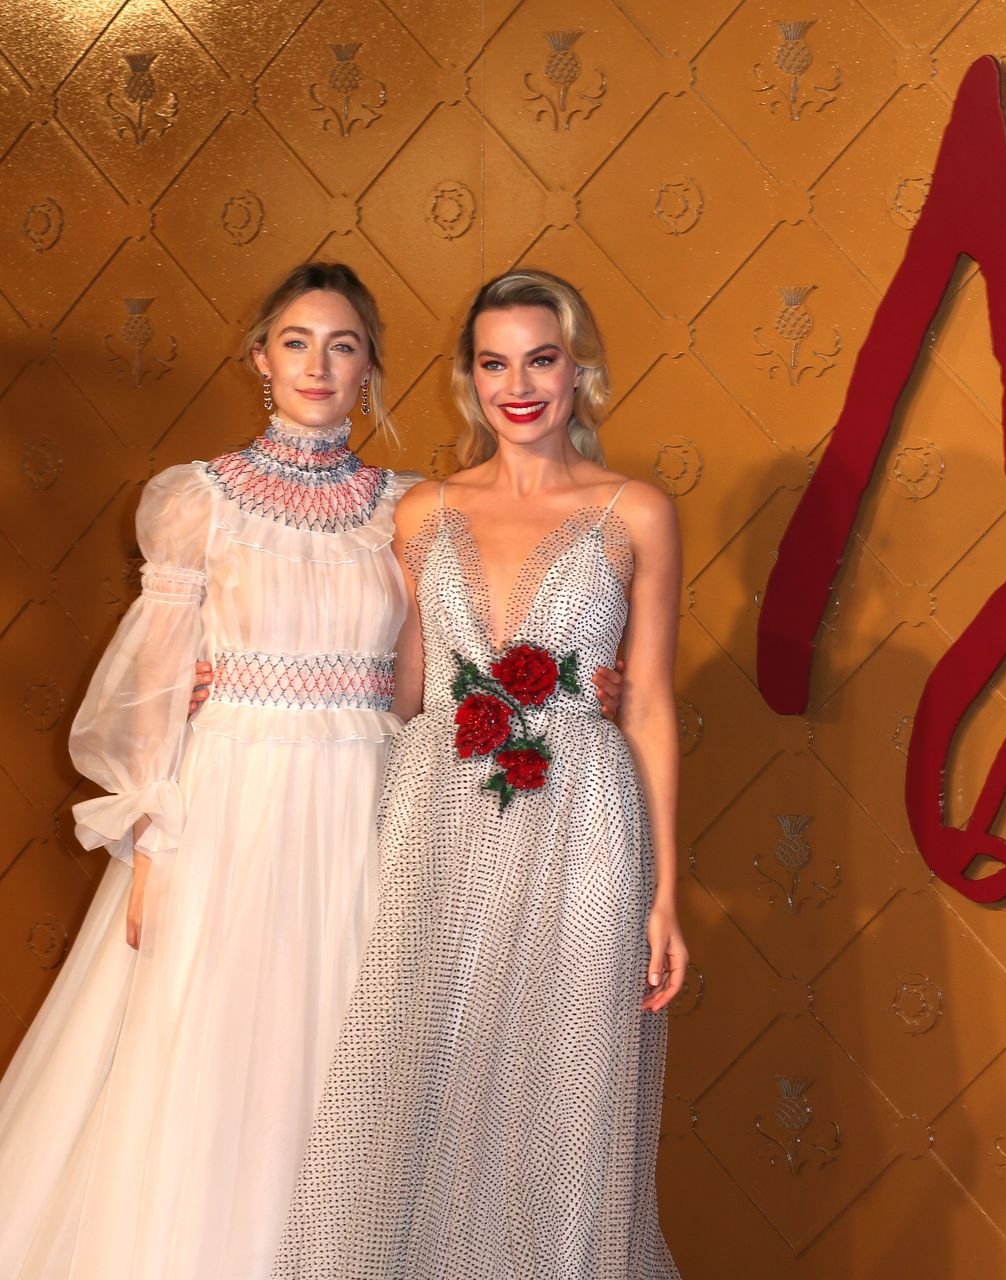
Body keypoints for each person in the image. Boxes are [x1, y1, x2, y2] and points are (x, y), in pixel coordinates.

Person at [0, 262, 622, 1280]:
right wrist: (149, 844)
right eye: (296, 342)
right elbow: (151, 684)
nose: (318, 365)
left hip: (369, 805)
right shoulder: (195, 501)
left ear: (371, 366)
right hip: (229, 807)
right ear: (261, 358)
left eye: (343, 345)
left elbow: (450, 665)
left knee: (352, 1055)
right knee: (213, 1053)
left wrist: (581, 677)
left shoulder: (409, 508)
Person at [273, 268, 685, 1278]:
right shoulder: (423, 511)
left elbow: (650, 705)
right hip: (439, 819)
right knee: (420, 1079)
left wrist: (666, 895)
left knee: (561, 1085)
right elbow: (401, 685)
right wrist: (236, 674)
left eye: (541, 360)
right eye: (495, 364)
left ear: (578, 369)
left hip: (584, 823)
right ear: (470, 379)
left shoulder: (635, 510)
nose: (519, 386)